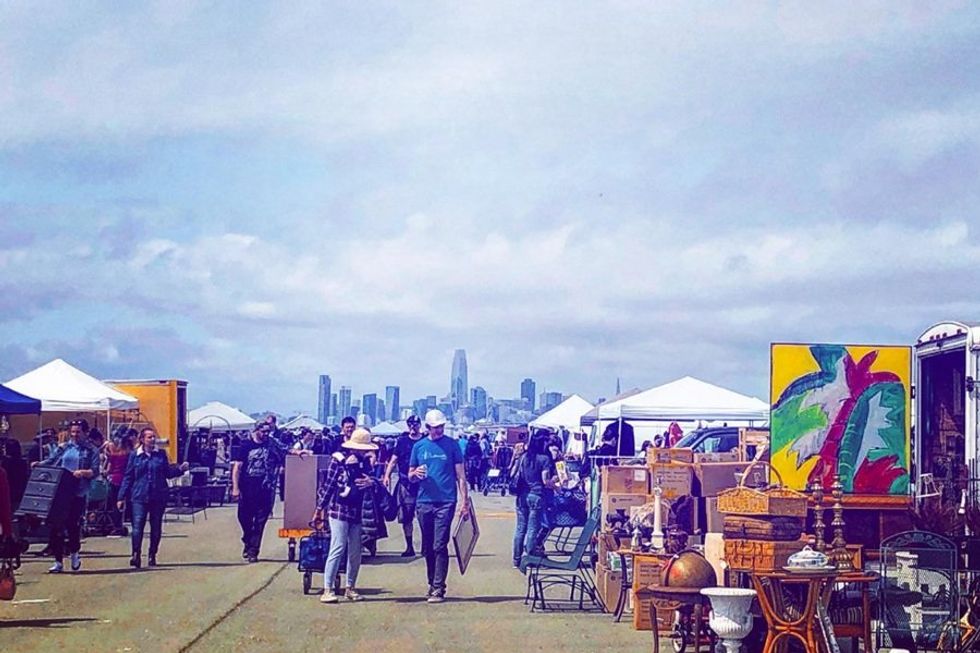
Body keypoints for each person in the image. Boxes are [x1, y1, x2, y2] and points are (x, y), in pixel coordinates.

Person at [408, 409, 469, 603]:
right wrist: (414, 474)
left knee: (439, 544)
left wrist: (464, 501)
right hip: (424, 501)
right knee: (427, 546)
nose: (439, 430)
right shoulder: (419, 447)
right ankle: (431, 582)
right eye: (435, 428)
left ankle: (438, 587)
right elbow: (410, 473)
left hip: (446, 501)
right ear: (427, 428)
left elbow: (461, 476)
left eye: (441, 427)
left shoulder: (452, 445)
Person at [315, 428, 380, 603]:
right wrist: (320, 508)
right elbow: (328, 485)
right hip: (338, 509)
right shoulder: (338, 460)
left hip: (357, 509)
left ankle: (350, 587)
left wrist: (370, 482)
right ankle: (328, 589)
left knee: (355, 551)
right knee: (337, 547)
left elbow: (375, 481)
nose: (365, 451)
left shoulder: (365, 462)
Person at [117, 428, 189, 568]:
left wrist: (180, 470)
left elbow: (168, 473)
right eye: (149, 437)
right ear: (142, 439)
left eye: (153, 437)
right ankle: (136, 554)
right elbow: (128, 477)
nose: (152, 439)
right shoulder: (135, 456)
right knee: (137, 526)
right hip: (139, 495)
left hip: (158, 495)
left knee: (156, 527)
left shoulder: (161, 454)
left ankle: (152, 555)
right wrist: (121, 496)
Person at [37, 419, 99, 573]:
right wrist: (39, 464)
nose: (74, 435)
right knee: (56, 526)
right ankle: (58, 561)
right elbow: (52, 461)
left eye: (78, 432)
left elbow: (95, 471)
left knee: (73, 525)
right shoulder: (63, 448)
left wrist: (83, 473)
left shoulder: (91, 450)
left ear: (85, 432)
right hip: (60, 491)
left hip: (78, 491)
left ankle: (74, 554)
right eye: (72, 432)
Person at [231, 423, 285, 563]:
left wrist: (298, 452)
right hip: (247, 487)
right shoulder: (246, 445)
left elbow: (285, 450)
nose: (267, 434)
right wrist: (235, 487)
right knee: (244, 517)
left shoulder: (272, 444)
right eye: (264, 431)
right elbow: (237, 468)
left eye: (269, 431)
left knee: (260, 520)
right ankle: (248, 539)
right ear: (256, 431)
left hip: (266, 488)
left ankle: (253, 551)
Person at [383, 414, 424, 557]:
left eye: (416, 424)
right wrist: (387, 475)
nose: (413, 426)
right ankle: (409, 547)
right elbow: (393, 460)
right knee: (406, 517)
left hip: (423, 485)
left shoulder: (425, 441)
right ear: (408, 425)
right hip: (405, 483)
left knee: (424, 516)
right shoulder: (402, 441)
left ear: (420, 425)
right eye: (411, 424)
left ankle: (426, 546)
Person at [512, 433, 556, 568]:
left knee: (520, 529)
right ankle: (530, 558)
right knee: (533, 529)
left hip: (522, 496)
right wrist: (555, 482)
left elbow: (512, 473)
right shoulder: (544, 459)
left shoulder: (524, 457)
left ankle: (516, 559)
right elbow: (545, 481)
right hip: (536, 495)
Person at [103, 433, 133, 535]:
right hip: (126, 480)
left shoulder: (114, 455)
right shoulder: (129, 455)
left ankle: (117, 526)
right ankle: (125, 523)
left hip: (114, 479)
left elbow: (109, 469)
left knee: (115, 505)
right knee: (126, 503)